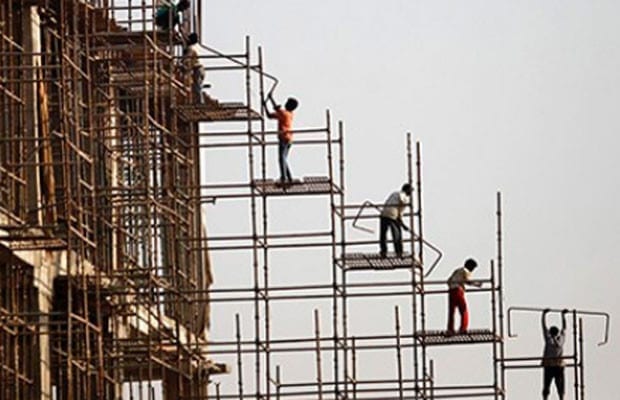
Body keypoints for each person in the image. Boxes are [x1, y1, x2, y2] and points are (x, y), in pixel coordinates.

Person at [266, 94, 299, 185]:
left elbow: (277, 109)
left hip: (284, 138)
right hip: (288, 139)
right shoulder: (288, 114)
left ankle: (284, 178)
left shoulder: (285, 114)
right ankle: (289, 178)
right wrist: (266, 106)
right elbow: (269, 116)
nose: (285, 104)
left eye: (287, 103)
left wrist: (271, 98)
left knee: (282, 158)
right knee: (283, 158)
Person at [446, 258, 481, 335]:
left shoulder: (457, 270)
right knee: (463, 310)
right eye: (473, 268)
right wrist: (477, 284)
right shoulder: (466, 271)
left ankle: (450, 329)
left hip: (451, 291)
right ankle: (463, 328)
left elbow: (448, 281)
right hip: (458, 291)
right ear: (469, 266)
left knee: (451, 311)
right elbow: (467, 281)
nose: (472, 270)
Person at [379, 183, 412, 258]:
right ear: (407, 190)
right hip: (392, 215)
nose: (411, 193)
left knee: (383, 234)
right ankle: (399, 252)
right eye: (410, 191)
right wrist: (403, 225)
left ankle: (383, 251)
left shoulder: (394, 193)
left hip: (384, 214)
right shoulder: (404, 198)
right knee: (397, 234)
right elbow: (400, 214)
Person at [541, 308, 568, 400]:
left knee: (560, 386)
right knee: (546, 385)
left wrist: (563, 316)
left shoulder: (560, 339)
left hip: (558, 365)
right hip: (549, 365)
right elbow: (544, 327)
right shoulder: (549, 339)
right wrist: (543, 315)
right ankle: (546, 398)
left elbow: (564, 328)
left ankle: (561, 397)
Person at [182, 32, 205, 104]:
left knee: (197, 86)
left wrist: (182, 62)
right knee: (197, 86)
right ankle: (199, 101)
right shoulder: (196, 47)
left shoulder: (191, 48)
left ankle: (200, 102)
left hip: (197, 69)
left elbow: (187, 58)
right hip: (201, 69)